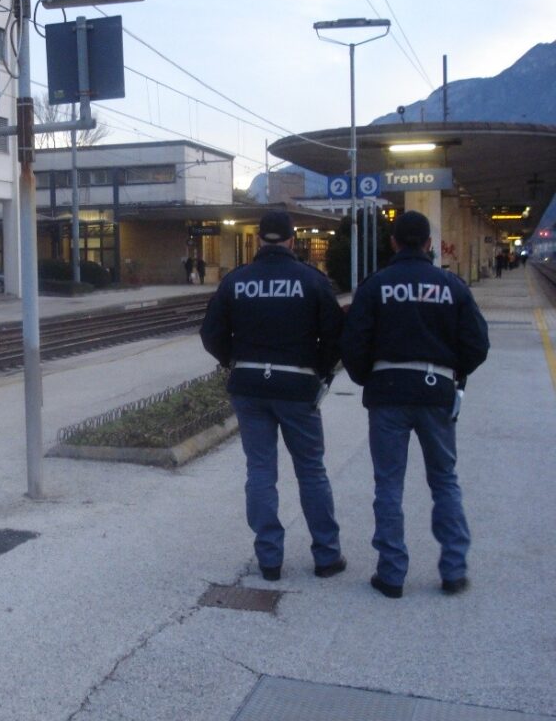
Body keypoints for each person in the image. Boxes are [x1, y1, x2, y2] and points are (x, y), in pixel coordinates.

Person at [340, 211, 489, 599]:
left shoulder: (376, 286)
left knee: (388, 482)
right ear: (428, 245)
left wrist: (367, 377)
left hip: (387, 391)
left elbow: (353, 343)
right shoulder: (451, 285)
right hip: (436, 390)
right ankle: (453, 570)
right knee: (444, 479)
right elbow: (477, 345)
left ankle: (391, 574)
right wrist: (452, 372)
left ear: (393, 242)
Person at [200, 210, 346, 582]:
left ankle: (269, 559)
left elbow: (211, 333)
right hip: (297, 386)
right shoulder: (312, 281)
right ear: (292, 241)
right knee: (311, 470)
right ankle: (327, 556)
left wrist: (231, 359)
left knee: (261, 470)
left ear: (261, 239)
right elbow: (335, 335)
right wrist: (320, 369)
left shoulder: (237, 281)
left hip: (249, 386)